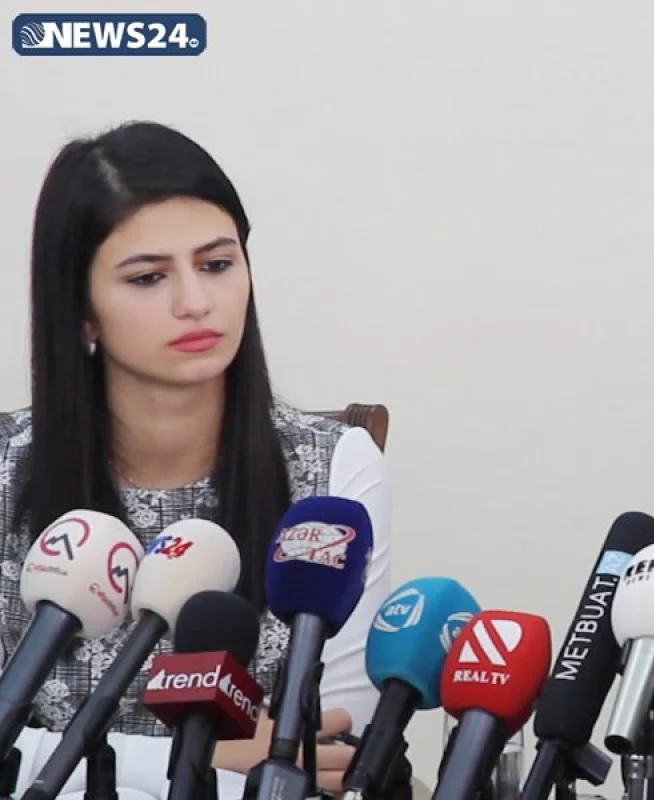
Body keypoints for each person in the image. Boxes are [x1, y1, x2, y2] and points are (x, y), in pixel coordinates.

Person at [0, 120, 393, 799]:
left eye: (217, 265)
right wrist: (209, 761)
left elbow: (329, 757)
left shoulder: (334, 471)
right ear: (82, 310)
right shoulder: (9, 472)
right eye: (149, 277)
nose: (196, 303)